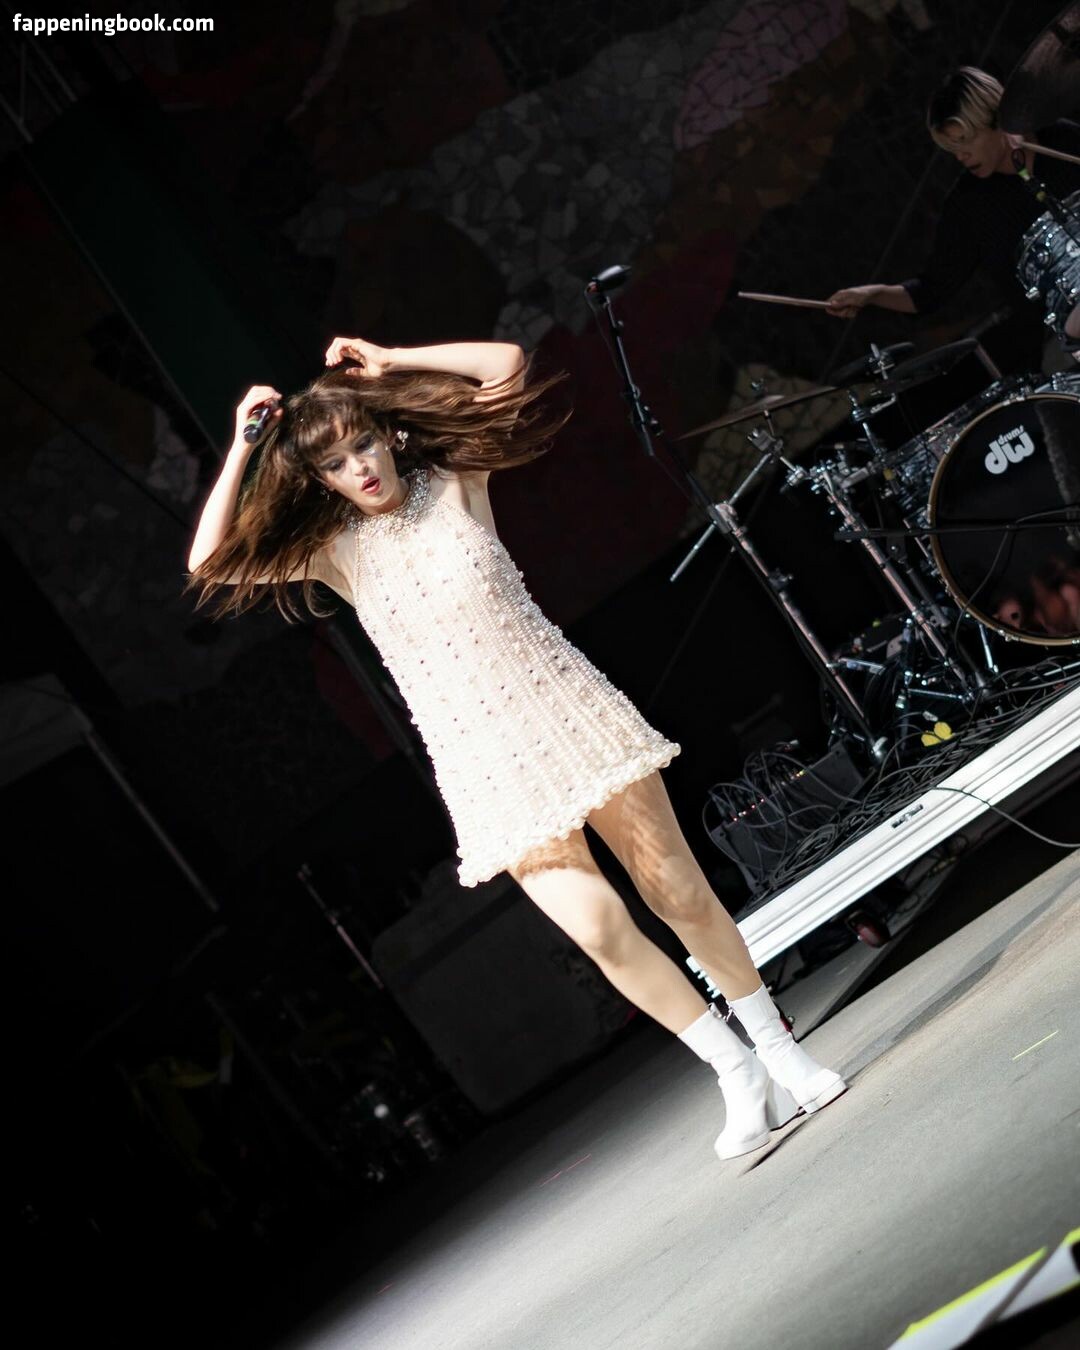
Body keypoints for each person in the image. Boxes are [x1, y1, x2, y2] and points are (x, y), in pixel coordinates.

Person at [186, 336, 847, 1161]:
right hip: (486, 766)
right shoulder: (336, 555)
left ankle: (781, 1052)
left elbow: (504, 364)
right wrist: (244, 446)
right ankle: (735, 1071)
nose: (359, 468)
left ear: (389, 436)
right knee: (598, 930)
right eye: (337, 463)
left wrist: (389, 361)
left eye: (364, 445)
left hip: (565, 712)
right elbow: (209, 559)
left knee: (677, 892)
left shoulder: (455, 480)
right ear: (321, 480)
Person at [826, 66, 1080, 365]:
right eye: (952, 148)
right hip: (1061, 338)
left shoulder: (1062, 140)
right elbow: (930, 291)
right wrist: (872, 293)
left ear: (996, 120)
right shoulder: (968, 205)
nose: (961, 155)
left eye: (965, 140)